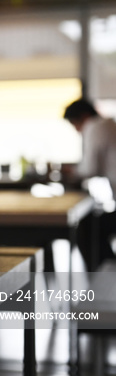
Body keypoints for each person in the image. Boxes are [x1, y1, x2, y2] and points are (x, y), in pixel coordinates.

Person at [62, 98, 116, 270]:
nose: (77, 130)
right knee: (94, 226)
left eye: (75, 124)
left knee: (88, 231)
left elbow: (91, 169)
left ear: (84, 116)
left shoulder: (94, 126)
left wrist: (72, 171)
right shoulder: (108, 124)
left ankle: (106, 276)